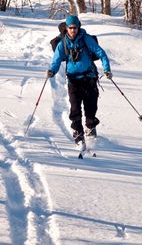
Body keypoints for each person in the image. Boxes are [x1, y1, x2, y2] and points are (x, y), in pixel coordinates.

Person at [47, 15, 112, 149]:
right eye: (70, 28)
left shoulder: (86, 39)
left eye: (75, 28)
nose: (73, 30)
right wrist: (52, 71)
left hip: (89, 78)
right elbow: (56, 60)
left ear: (78, 27)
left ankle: (90, 127)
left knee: (91, 107)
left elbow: (101, 53)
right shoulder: (63, 43)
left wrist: (107, 69)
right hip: (73, 80)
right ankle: (77, 131)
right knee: (75, 107)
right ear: (66, 28)